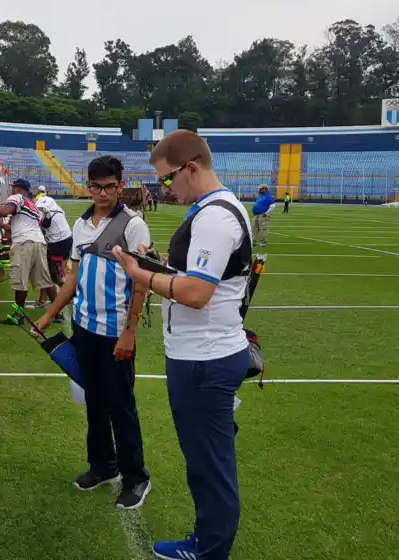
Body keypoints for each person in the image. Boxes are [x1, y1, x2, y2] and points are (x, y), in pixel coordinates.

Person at [110, 130, 253, 560]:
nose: (164, 189)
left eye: (167, 179)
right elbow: (196, 278)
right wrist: (158, 265)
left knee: (210, 467)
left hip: (204, 359)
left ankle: (209, 551)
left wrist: (140, 274)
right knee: (207, 463)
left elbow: (196, 292)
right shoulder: (213, 209)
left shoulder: (214, 217)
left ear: (191, 167)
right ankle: (207, 543)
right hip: (203, 355)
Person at [35, 156, 152, 510]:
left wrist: (130, 332)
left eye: (110, 187)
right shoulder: (81, 223)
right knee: (95, 403)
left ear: (121, 185)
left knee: (121, 407)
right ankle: (103, 466)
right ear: (88, 186)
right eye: (96, 187)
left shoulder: (133, 225)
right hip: (84, 328)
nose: (103, 193)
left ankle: (136, 478)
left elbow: (140, 284)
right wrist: (49, 315)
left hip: (115, 333)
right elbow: (73, 277)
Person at [0, 178, 56, 325]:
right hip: (39, 243)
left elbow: (4, 211)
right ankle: (57, 314)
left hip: (24, 244)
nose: (12, 189)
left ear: (19, 188)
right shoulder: (33, 205)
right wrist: (0, 224)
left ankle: (19, 316)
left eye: (14, 187)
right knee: (45, 280)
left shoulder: (17, 198)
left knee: (21, 281)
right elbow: (20, 227)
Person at [33, 186, 72, 312]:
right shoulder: (53, 204)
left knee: (49, 273)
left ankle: (69, 295)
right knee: (59, 271)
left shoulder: (38, 206)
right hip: (67, 238)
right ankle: (43, 300)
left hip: (57, 242)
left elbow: (40, 225)